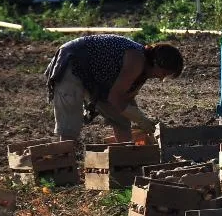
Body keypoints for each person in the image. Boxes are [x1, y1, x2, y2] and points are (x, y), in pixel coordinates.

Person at [44, 34, 183, 142]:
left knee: (121, 120)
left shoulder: (143, 71)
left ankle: (124, 161)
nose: (160, 78)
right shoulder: (136, 60)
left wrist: (138, 117)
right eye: (163, 73)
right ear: (156, 63)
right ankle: (63, 169)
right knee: (70, 126)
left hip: (95, 77)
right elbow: (115, 98)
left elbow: (124, 100)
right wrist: (141, 119)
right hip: (72, 62)